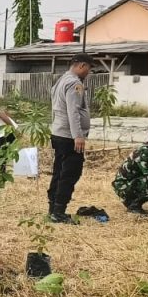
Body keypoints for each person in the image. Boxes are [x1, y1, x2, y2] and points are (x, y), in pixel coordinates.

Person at [47, 53, 94, 224]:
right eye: (88, 68)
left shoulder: (61, 80)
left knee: (59, 172)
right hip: (69, 136)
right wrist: (78, 136)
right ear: (81, 65)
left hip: (59, 133)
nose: (88, 72)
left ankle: (52, 209)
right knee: (70, 173)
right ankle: (58, 212)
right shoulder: (75, 83)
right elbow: (72, 111)